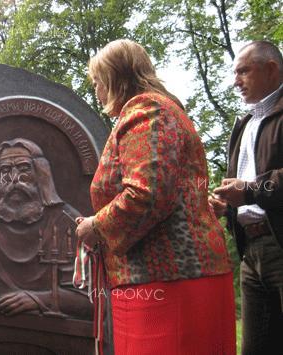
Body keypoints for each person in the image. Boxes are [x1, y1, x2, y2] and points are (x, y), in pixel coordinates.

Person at [75, 39, 235, 354]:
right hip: (170, 280)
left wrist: (96, 226)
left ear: (114, 77)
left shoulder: (145, 109)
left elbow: (146, 194)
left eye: (97, 82)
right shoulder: (164, 109)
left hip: (166, 281)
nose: (96, 91)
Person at [0, 138, 91, 319]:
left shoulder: (66, 221)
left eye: (24, 168)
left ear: (41, 173)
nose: (14, 178)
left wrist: (39, 299)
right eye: (6, 171)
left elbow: (91, 299)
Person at [209, 41, 283, 354]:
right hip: (250, 252)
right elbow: (242, 189)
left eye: (243, 71)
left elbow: (251, 188)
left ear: (271, 69)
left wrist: (250, 191)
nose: (235, 80)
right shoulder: (244, 124)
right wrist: (226, 206)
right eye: (234, 72)